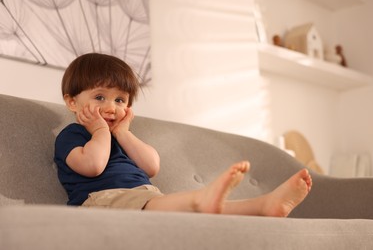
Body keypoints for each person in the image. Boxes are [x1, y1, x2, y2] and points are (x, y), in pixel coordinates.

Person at [54, 53, 312, 217]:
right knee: (182, 206)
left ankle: (262, 207)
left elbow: (152, 166)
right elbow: (94, 166)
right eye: (100, 97)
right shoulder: (72, 135)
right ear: (72, 102)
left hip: (144, 197)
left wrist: (123, 134)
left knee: (185, 210)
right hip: (100, 203)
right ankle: (202, 201)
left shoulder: (119, 137)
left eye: (121, 100)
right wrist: (99, 131)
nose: (112, 107)